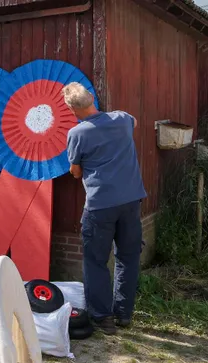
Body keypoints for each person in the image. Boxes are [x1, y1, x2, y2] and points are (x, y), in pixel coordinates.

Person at [62, 82, 147, 335]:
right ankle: (124, 314)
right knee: (128, 257)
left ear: (72, 110)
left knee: (96, 260)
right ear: (92, 100)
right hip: (131, 200)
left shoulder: (77, 134)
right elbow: (134, 123)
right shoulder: (121, 119)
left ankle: (103, 317)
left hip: (100, 205)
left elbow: (76, 173)